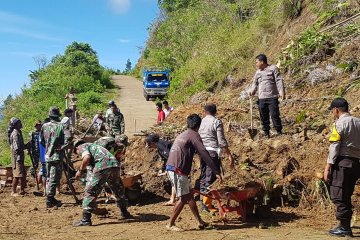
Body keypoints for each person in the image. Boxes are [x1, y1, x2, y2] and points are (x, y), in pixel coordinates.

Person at [165, 114, 222, 231]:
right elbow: (203, 152)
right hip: (177, 169)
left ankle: (200, 222)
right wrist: (216, 170)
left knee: (189, 196)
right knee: (183, 198)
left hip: (174, 167)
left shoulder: (183, 134)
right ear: (199, 125)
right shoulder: (194, 135)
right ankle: (170, 224)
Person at [72, 139, 132, 227]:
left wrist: (80, 171)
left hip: (103, 165)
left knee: (90, 191)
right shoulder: (96, 146)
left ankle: (86, 219)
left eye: (77, 153)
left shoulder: (82, 146)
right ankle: (125, 213)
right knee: (118, 190)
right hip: (114, 164)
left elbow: (86, 157)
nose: (79, 154)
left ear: (76, 148)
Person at [324, 98, 360, 238]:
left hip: (343, 163)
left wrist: (328, 166)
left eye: (333, 111)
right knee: (346, 194)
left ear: (336, 110)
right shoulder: (358, 122)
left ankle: (344, 227)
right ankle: (344, 225)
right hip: (356, 163)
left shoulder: (340, 123)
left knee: (338, 195)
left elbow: (335, 146)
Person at [198, 103, 234, 213]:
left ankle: (204, 203)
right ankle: (206, 205)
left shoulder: (201, 122)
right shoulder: (216, 122)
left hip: (202, 152)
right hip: (212, 153)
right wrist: (229, 154)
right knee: (211, 179)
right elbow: (221, 141)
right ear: (215, 111)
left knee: (204, 176)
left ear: (205, 111)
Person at [249, 54, 285, 138]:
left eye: (256, 62)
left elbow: (279, 81)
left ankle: (279, 131)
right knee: (263, 116)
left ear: (262, 62)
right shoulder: (258, 72)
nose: (256, 64)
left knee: (274, 115)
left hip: (272, 97)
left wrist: (281, 92)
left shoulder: (273, 69)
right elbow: (255, 83)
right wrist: (252, 91)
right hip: (261, 98)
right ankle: (266, 133)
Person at [41, 106, 65, 208]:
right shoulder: (61, 126)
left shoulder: (44, 126)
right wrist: (60, 147)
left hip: (47, 155)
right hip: (56, 155)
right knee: (55, 177)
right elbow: (67, 140)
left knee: (50, 176)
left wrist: (48, 146)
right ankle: (50, 199)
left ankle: (50, 197)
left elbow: (42, 140)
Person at [94, 135, 129, 203]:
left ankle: (108, 195)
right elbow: (114, 159)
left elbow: (116, 158)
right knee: (103, 181)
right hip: (99, 162)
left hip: (95, 159)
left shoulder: (111, 142)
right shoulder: (116, 145)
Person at [146, 134, 176, 206]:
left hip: (175, 163)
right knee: (174, 182)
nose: (150, 147)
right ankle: (175, 198)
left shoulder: (161, 146)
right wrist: (162, 169)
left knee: (174, 182)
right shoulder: (159, 146)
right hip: (173, 163)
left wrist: (168, 169)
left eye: (150, 145)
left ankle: (173, 199)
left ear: (153, 142)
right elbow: (164, 159)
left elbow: (170, 157)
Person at [8, 118, 27, 196]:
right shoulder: (15, 133)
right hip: (17, 158)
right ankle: (13, 191)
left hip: (20, 157)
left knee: (23, 174)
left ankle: (22, 190)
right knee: (17, 175)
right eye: (19, 122)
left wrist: (26, 145)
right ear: (15, 125)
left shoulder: (19, 132)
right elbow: (17, 148)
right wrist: (26, 146)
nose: (21, 123)